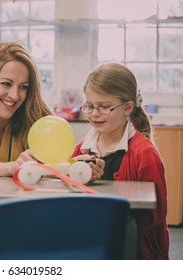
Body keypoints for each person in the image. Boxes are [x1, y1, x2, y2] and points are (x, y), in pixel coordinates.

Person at [0, 41, 104, 258]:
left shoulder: (37, 116)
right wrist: (16, 166)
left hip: (26, 235)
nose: (15, 95)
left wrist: (80, 168)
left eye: (23, 87)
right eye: (6, 83)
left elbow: (54, 167)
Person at [72, 62, 169, 259]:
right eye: (89, 106)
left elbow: (154, 217)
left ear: (127, 108)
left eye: (104, 107)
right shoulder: (81, 149)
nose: (94, 113)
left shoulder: (145, 154)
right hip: (90, 246)